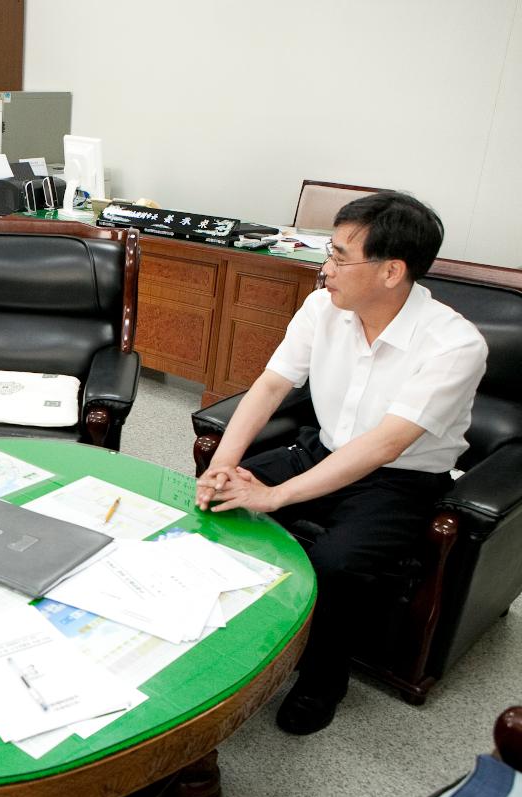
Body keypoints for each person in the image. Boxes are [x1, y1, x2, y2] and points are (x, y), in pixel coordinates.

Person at [195, 192, 487, 736]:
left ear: (390, 271)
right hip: (322, 449)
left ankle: (321, 681)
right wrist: (224, 466)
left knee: (334, 562)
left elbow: (385, 446)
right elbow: (270, 386)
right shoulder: (321, 308)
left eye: (337, 257)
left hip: (401, 481)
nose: (324, 270)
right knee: (217, 504)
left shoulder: (454, 344)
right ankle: (230, 640)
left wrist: (276, 495)